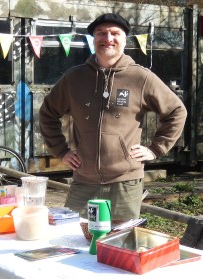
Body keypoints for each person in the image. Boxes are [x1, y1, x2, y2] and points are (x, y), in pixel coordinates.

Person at [39, 13, 187, 221]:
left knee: (121, 244)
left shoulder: (141, 77)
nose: (108, 38)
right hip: (83, 181)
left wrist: (155, 149)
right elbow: (47, 113)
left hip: (125, 183)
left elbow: (176, 111)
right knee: (72, 238)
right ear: (94, 39)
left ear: (124, 39)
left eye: (114, 33)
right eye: (101, 33)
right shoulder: (74, 78)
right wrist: (61, 151)